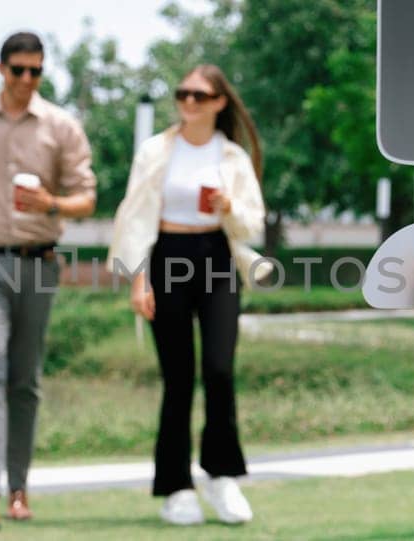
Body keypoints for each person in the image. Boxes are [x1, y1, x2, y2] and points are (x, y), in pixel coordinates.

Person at [0, 31, 96, 534]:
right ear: (1, 69)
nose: (27, 80)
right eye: (19, 70)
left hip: (38, 264)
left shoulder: (61, 126)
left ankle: (19, 487)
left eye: (36, 71)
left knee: (24, 380)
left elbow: (86, 199)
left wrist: (51, 202)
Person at [106, 64, 272, 526]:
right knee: (178, 379)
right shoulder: (156, 150)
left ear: (219, 102)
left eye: (200, 95)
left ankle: (222, 478)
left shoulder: (232, 156)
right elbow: (135, 217)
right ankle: (176, 487)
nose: (189, 102)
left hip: (217, 255)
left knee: (219, 369)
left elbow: (253, 222)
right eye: (183, 94)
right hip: (168, 255)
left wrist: (228, 206)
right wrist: (138, 281)